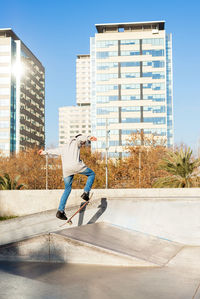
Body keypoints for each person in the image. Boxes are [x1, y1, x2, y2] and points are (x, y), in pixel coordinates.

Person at [38, 134, 97, 220]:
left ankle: (60, 211)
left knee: (67, 189)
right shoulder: (76, 141)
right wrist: (88, 138)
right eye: (83, 143)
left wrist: (44, 152)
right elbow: (80, 138)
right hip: (76, 165)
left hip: (66, 170)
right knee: (92, 174)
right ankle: (86, 192)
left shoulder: (63, 148)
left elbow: (54, 151)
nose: (83, 144)